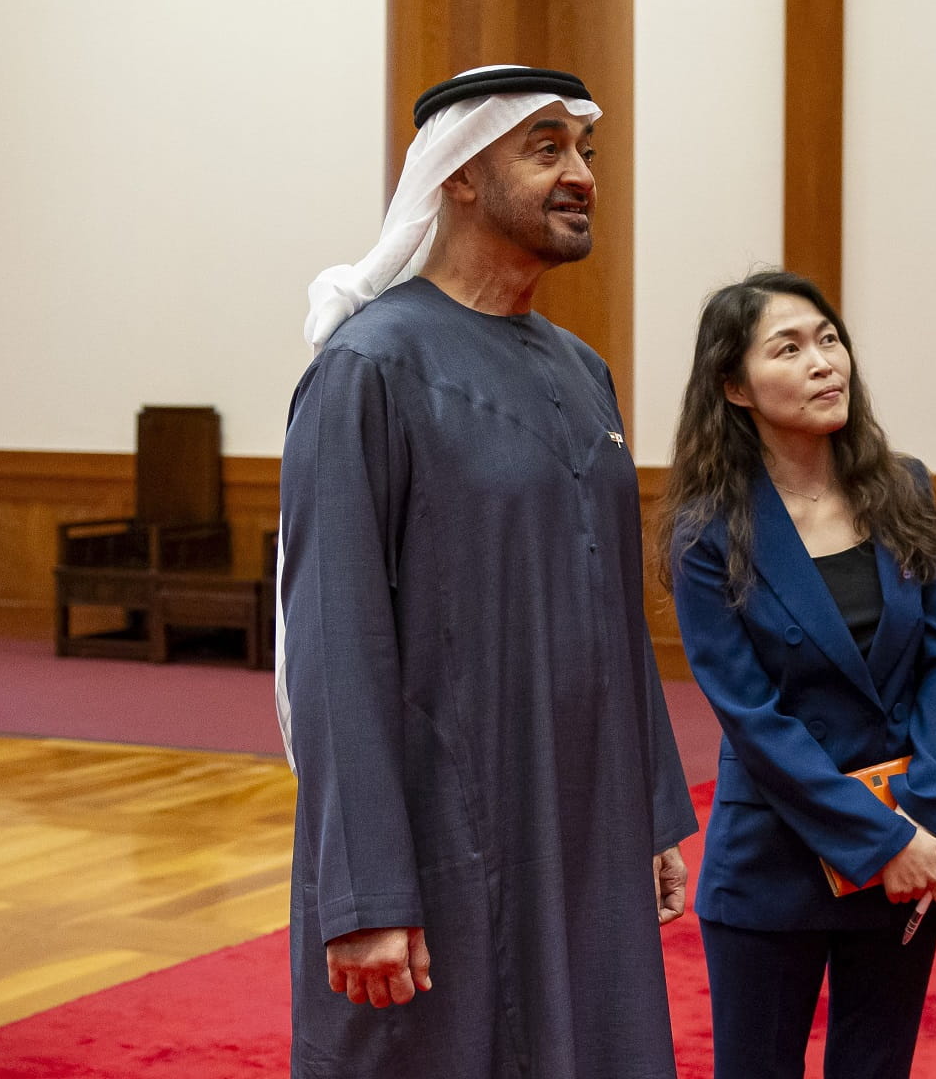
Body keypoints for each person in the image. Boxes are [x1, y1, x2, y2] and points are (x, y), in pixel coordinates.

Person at [278, 65, 697, 1078]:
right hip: (443, 841)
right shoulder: (369, 367)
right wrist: (367, 891)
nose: (582, 174)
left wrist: (648, 813)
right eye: (545, 148)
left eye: (584, 152)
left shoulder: (580, 369)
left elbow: (612, 610)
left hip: (584, 831)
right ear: (458, 176)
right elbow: (334, 645)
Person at [659, 270, 936, 1078]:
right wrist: (881, 840)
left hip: (912, 843)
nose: (823, 362)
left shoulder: (902, 487)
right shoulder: (708, 532)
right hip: (778, 857)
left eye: (829, 339)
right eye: (790, 348)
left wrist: (925, 816)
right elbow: (754, 721)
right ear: (734, 386)